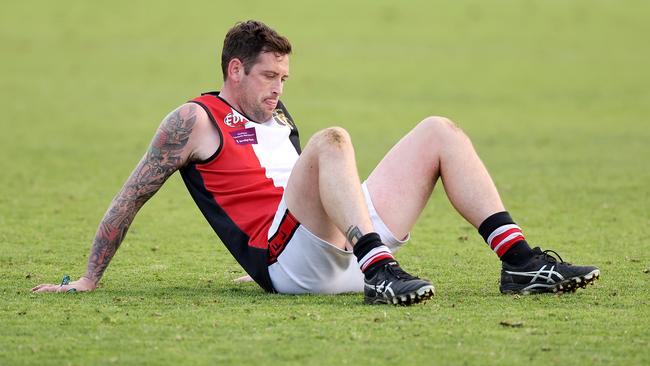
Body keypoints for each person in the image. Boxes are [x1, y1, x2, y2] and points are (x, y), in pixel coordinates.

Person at [32, 20, 599, 305]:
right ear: (234, 70)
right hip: (297, 263)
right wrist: (87, 279)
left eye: (284, 77)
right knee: (334, 141)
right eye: (268, 76)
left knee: (438, 132)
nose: (279, 87)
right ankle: (380, 274)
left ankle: (521, 262)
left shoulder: (281, 118)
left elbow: (297, 183)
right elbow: (131, 194)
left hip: (341, 245)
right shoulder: (194, 120)